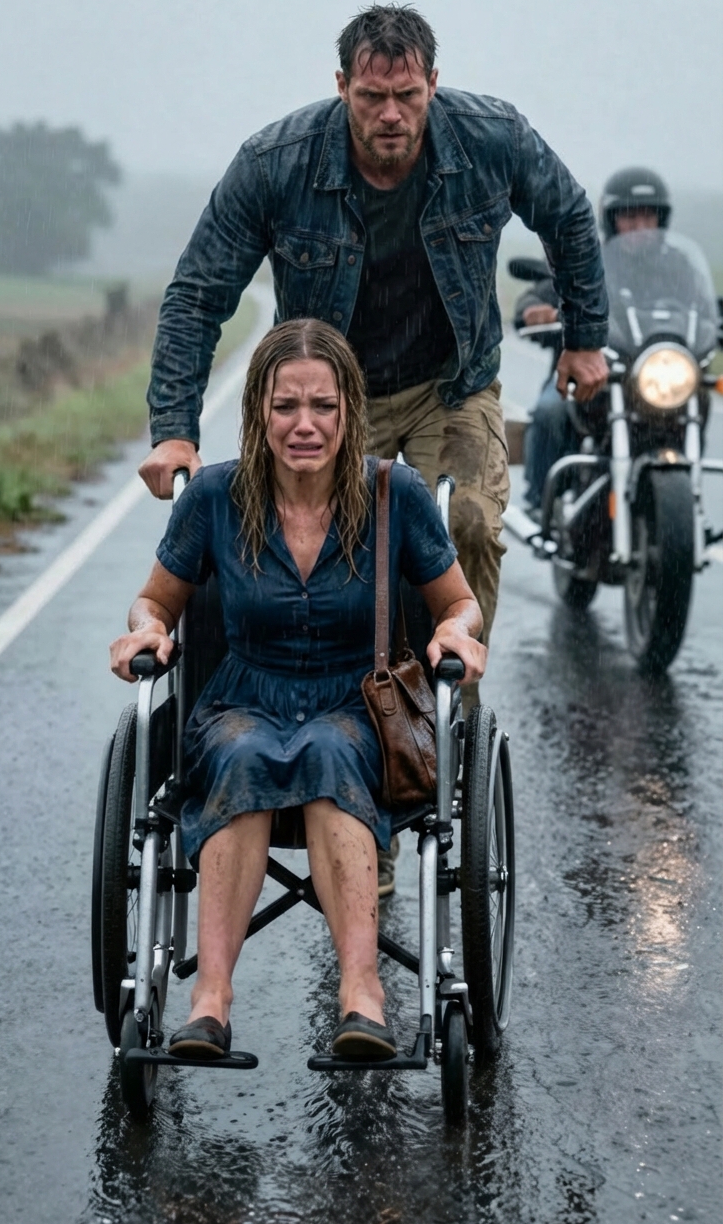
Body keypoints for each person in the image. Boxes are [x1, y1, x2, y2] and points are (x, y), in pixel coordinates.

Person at [138, 2, 609, 892]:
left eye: (406, 95)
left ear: (433, 84)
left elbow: (571, 219)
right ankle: (355, 759)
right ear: (341, 88)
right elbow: (199, 293)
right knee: (346, 561)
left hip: (450, 382)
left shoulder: (492, 137)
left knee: (467, 519)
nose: (390, 115)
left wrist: (585, 336)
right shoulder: (277, 162)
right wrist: (173, 429)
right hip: (332, 396)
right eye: (370, 97)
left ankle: (438, 715)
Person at [110, 319, 486, 1062]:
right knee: (243, 755)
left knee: (328, 752)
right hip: (244, 697)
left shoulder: (394, 495)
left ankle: (362, 994)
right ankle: (209, 1002)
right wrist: (147, 631)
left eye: (323, 406)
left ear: (349, 411)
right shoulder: (216, 496)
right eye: (286, 407)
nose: (304, 425)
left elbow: (459, 601)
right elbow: (156, 601)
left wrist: (455, 633)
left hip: (354, 703)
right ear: (258, 411)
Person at [517, 167, 671, 515]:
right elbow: (534, 298)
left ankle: (685, 493)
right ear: (612, 221)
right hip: (592, 375)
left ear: (660, 221)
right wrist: (537, 312)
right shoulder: (587, 260)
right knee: (550, 410)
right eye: (629, 218)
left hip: (652, 379)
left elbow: (702, 309)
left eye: (646, 217)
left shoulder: (677, 267)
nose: (638, 228)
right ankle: (539, 499)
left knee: (696, 403)